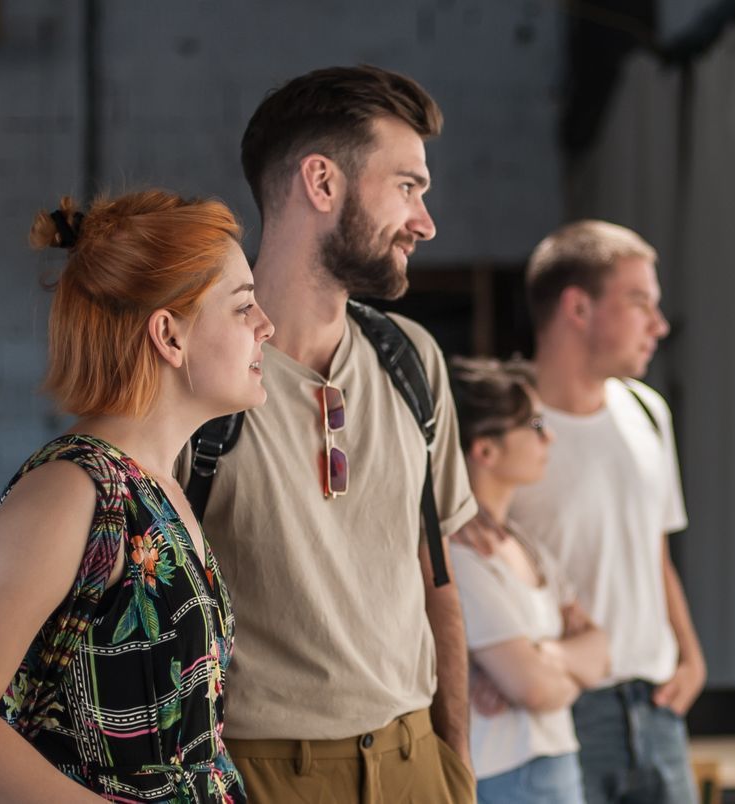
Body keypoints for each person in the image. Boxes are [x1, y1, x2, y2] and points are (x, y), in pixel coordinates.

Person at [0, 191, 272, 802]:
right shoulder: (69, 493)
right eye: (243, 307)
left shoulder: (163, 487)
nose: (266, 326)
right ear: (169, 337)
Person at [186, 65, 479, 801]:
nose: (425, 221)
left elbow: (434, 575)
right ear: (322, 183)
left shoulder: (412, 359)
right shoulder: (195, 369)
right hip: (262, 773)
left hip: (417, 759)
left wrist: (456, 761)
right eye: (407, 186)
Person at [479, 220, 705, 803]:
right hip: (560, 710)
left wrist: (691, 655)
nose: (659, 325)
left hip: (657, 706)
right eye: (639, 304)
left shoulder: (647, 412)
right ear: (578, 307)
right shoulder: (503, 431)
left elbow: (653, 551)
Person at [447, 357, 611, 802]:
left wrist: (541, 653)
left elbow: (601, 652)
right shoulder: (461, 553)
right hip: (506, 774)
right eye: (535, 424)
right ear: (485, 450)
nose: (549, 436)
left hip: (555, 762)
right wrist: (558, 668)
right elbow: (534, 687)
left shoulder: (523, 542)